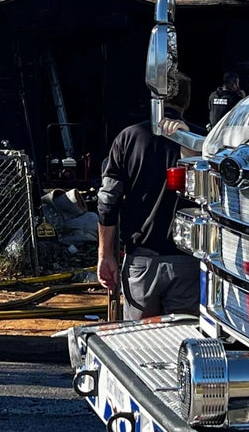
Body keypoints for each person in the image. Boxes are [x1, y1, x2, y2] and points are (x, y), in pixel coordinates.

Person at [96, 72, 200, 320]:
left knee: (142, 343)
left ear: (155, 99)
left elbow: (107, 202)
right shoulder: (203, 141)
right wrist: (191, 147)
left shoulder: (129, 138)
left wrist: (105, 255)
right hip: (188, 261)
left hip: (142, 260)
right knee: (183, 340)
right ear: (186, 102)